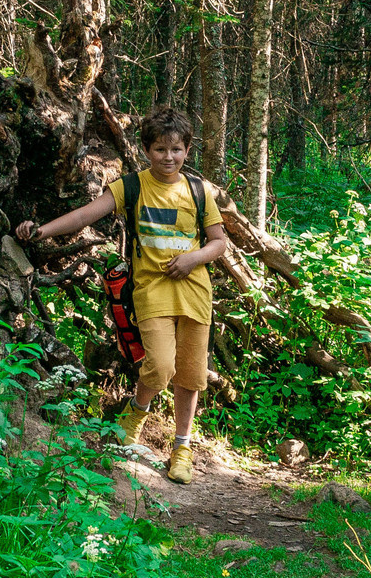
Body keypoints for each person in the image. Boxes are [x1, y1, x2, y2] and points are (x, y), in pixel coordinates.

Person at [14, 106, 232, 484]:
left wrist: (193, 258)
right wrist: (41, 232)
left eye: (177, 150)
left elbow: (218, 243)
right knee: (161, 365)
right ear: (146, 149)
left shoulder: (200, 191)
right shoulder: (131, 186)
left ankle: (181, 448)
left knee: (192, 374)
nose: (169, 157)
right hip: (151, 289)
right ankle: (135, 413)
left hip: (195, 291)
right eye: (161, 149)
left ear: (187, 150)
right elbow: (86, 215)